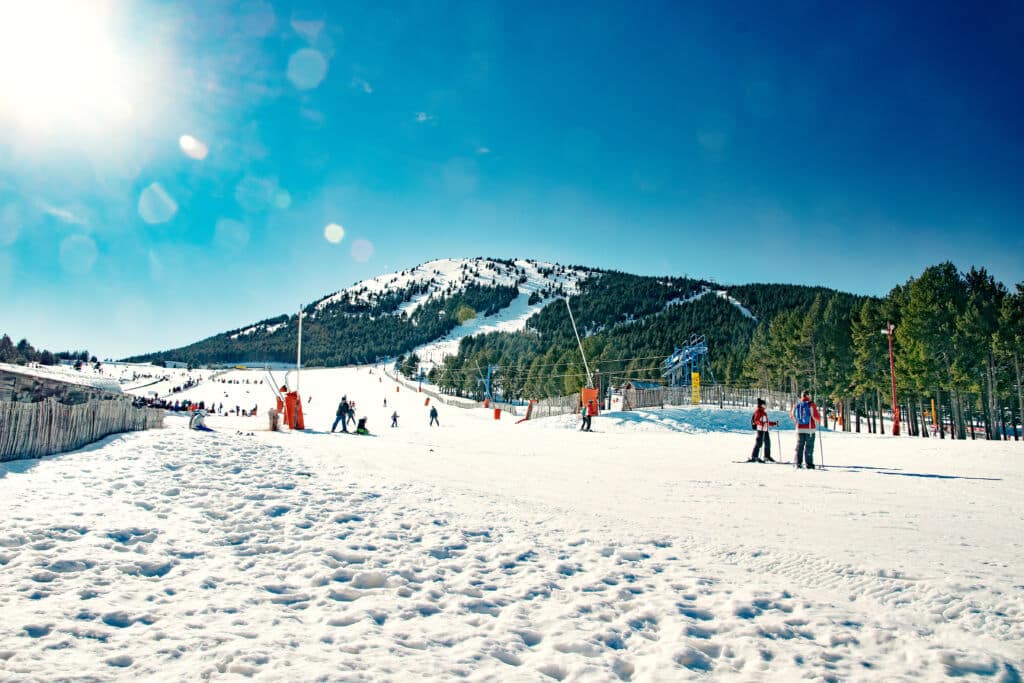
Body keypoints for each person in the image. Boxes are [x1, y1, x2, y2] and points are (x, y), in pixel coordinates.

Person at [790, 390, 821, 469]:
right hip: (810, 429)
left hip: (799, 428)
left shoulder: (797, 404)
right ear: (807, 396)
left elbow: (792, 415)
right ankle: (809, 464)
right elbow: (815, 416)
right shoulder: (811, 404)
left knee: (799, 446)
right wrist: (818, 420)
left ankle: (798, 463)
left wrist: (797, 422)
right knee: (809, 447)